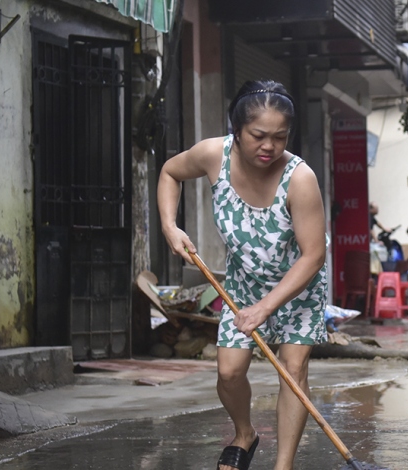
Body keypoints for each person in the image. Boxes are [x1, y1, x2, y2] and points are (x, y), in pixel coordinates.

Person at [157, 80, 329, 470]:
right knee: (229, 371)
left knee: (293, 370)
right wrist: (170, 225)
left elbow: (314, 255)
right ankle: (244, 433)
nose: (269, 146)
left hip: (297, 288)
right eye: (259, 136)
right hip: (243, 284)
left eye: (280, 137)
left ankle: (282, 465)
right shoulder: (212, 155)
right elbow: (170, 172)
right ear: (237, 130)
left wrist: (267, 308)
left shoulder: (299, 179)